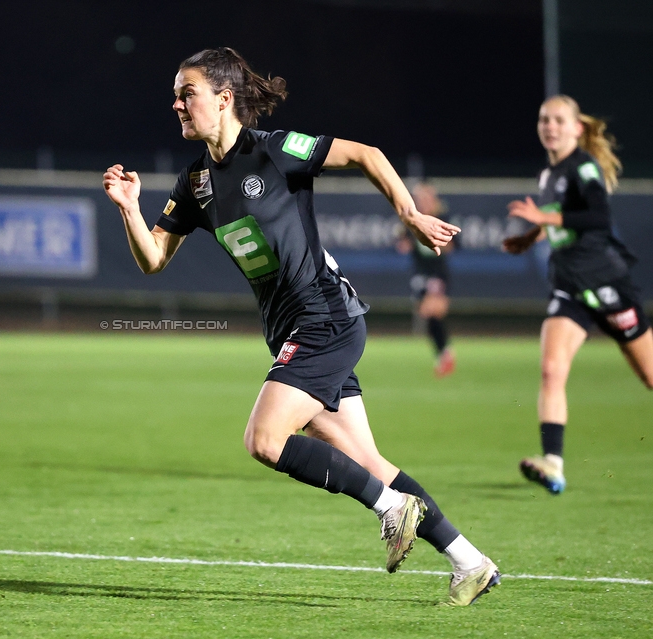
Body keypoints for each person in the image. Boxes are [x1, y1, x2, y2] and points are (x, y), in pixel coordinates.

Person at [103, 47, 499, 606]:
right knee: (368, 462)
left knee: (264, 439)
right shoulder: (195, 183)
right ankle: (470, 562)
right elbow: (152, 260)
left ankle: (392, 509)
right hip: (297, 328)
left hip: (324, 318)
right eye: (175, 96)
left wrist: (409, 214)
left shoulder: (275, 151)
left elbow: (367, 154)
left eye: (185, 93)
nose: (176, 105)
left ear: (223, 99)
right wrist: (128, 207)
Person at [503, 95, 653, 494]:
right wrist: (529, 236)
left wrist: (543, 219)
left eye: (558, 120)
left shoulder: (584, 166)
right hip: (569, 287)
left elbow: (598, 217)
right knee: (552, 369)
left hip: (606, 284)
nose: (550, 126)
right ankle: (553, 463)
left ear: (577, 128)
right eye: (543, 119)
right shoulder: (548, 174)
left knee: (650, 376)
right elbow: (556, 213)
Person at [396, 183, 455, 376]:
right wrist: (405, 240)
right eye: (419, 198)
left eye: (425, 198)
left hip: (437, 273)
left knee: (432, 311)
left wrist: (438, 240)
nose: (423, 202)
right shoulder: (413, 220)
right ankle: (443, 353)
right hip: (420, 274)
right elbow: (403, 245)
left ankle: (445, 353)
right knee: (428, 315)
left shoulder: (442, 218)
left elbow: (452, 247)